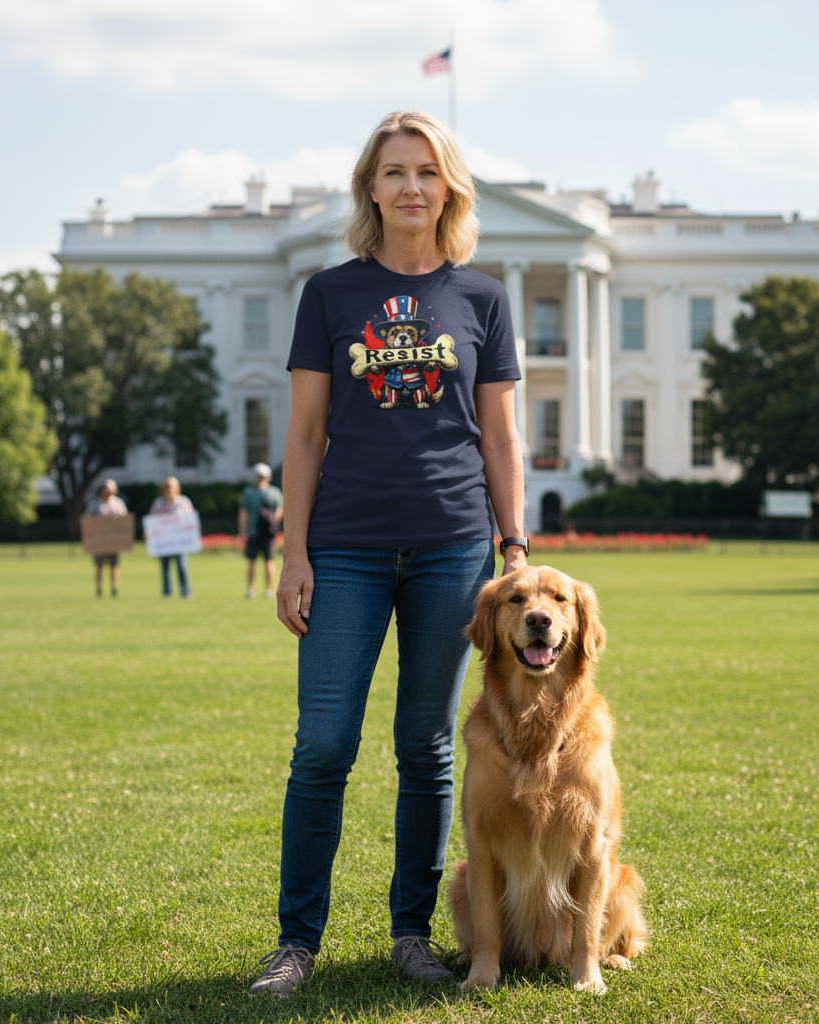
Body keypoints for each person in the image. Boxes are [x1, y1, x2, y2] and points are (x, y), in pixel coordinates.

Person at [249, 110, 526, 998]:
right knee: (323, 745)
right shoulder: (330, 293)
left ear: (449, 188)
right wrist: (294, 554)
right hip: (347, 547)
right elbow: (302, 433)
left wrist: (512, 547)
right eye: (395, 170)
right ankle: (297, 942)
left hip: (453, 545)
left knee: (427, 746)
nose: (412, 185)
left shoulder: (481, 297)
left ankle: (411, 933)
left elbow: (501, 438)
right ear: (371, 186)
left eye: (428, 171)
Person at [238, 463, 283, 599]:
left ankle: (268, 589)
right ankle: (252, 589)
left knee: (269, 561)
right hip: (254, 531)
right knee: (253, 561)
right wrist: (243, 531)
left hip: (265, 533)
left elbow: (279, 511)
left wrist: (271, 523)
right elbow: (244, 513)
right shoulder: (251, 492)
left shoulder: (272, 492)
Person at [149, 476, 195, 598]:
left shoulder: (184, 502)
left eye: (172, 487)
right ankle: (167, 593)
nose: (170, 490)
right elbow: (152, 521)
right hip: (164, 542)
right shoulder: (158, 503)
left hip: (179, 541)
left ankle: (186, 592)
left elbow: (191, 520)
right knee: (165, 567)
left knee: (182, 566)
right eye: (167, 487)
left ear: (177, 489)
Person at [85, 479, 128, 597]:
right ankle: (99, 589)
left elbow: (125, 520)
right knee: (99, 565)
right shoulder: (95, 503)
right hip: (100, 541)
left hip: (114, 540)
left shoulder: (118, 503)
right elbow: (87, 520)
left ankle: (114, 589)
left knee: (115, 565)